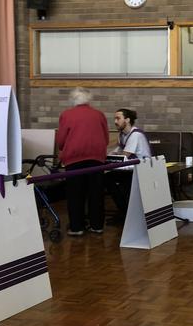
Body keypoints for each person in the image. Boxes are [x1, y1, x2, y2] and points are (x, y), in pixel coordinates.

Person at [56, 87, 109, 236]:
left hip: (74, 159)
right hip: (96, 158)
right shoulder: (99, 115)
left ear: (73, 100)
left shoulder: (67, 115)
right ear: (88, 99)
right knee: (96, 193)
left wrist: (62, 148)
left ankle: (77, 227)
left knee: (75, 194)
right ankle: (97, 225)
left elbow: (61, 139)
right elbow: (105, 137)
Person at [105, 108, 152, 217]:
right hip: (131, 169)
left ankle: (126, 213)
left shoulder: (135, 135)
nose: (115, 122)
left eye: (118, 118)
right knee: (110, 179)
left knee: (108, 179)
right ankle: (125, 213)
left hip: (142, 171)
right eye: (115, 119)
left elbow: (124, 155)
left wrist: (108, 159)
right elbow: (117, 151)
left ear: (127, 120)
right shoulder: (122, 135)